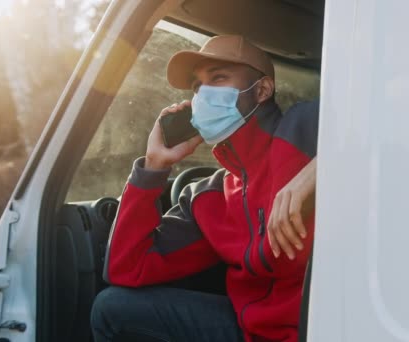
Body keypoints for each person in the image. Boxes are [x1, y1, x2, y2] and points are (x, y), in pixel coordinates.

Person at [91, 35, 318, 342]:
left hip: (328, 327)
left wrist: (324, 165)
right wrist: (154, 168)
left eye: (218, 78)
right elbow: (126, 269)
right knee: (111, 308)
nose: (202, 95)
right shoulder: (207, 197)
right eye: (198, 87)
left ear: (262, 90)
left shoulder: (306, 128)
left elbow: (393, 120)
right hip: (249, 333)